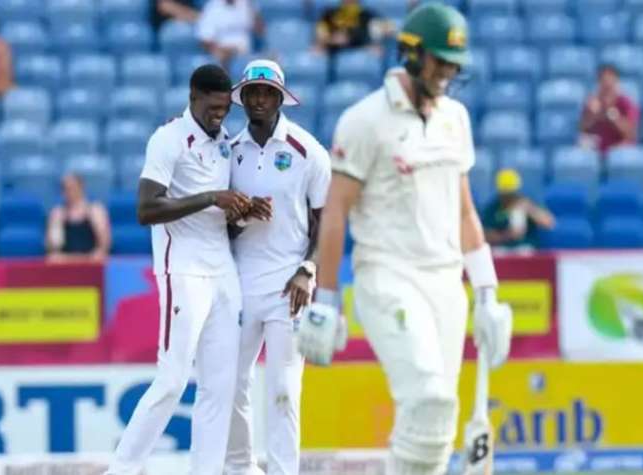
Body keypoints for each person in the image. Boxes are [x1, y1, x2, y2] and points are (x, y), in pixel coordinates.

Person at [297, 3, 513, 474]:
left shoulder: (455, 117)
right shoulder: (364, 120)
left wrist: (487, 292)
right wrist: (325, 299)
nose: (447, 73)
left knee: (438, 424)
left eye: (454, 64)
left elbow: (464, 211)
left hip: (446, 286)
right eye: (440, 61)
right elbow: (335, 212)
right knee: (429, 401)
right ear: (411, 53)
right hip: (388, 278)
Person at [105, 64, 254, 475]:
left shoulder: (224, 143)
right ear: (193, 98)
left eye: (225, 109)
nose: (219, 116)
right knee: (172, 381)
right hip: (183, 271)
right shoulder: (169, 139)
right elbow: (146, 209)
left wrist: (242, 212)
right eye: (212, 108)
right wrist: (212, 197)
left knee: (219, 386)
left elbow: (222, 214)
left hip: (223, 272)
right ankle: (121, 470)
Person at [224, 60, 331, 475]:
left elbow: (326, 223)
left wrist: (308, 270)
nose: (259, 100)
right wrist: (241, 216)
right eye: (252, 92)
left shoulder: (308, 151)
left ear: (280, 99)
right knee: (231, 381)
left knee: (284, 387)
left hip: (289, 286)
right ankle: (241, 467)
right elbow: (218, 228)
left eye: (267, 93)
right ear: (243, 97)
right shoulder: (229, 152)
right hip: (239, 283)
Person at [482, 169, 555, 252]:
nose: (508, 198)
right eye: (505, 194)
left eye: (511, 193)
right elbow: (485, 235)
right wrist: (508, 235)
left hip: (525, 247)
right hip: (501, 249)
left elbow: (549, 223)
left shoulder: (526, 202)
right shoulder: (493, 207)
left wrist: (529, 209)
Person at [45, 174, 112, 263]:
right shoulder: (57, 213)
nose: (69, 192)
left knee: (99, 257)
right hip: (65, 261)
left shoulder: (95, 210)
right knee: (53, 259)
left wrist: (96, 254)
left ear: (81, 187)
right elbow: (53, 247)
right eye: (65, 188)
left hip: (90, 260)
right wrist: (56, 226)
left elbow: (104, 244)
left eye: (72, 188)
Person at [579, 64, 640, 154]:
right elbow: (582, 129)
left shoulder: (625, 103)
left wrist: (613, 116)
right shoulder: (592, 103)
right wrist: (593, 115)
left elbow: (632, 134)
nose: (606, 85)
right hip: (597, 149)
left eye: (610, 83)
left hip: (619, 149)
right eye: (603, 81)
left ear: (616, 82)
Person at [197, 0, 262, 66]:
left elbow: (260, 31)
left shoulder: (246, 4)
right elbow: (205, 38)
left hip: (246, 54)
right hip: (222, 53)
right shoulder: (212, 7)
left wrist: (253, 9)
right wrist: (221, 51)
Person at [314, 0, 388, 54]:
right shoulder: (330, 14)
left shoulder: (367, 15)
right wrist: (331, 40)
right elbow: (321, 35)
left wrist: (349, 38)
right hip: (334, 51)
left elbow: (385, 29)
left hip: (361, 50)